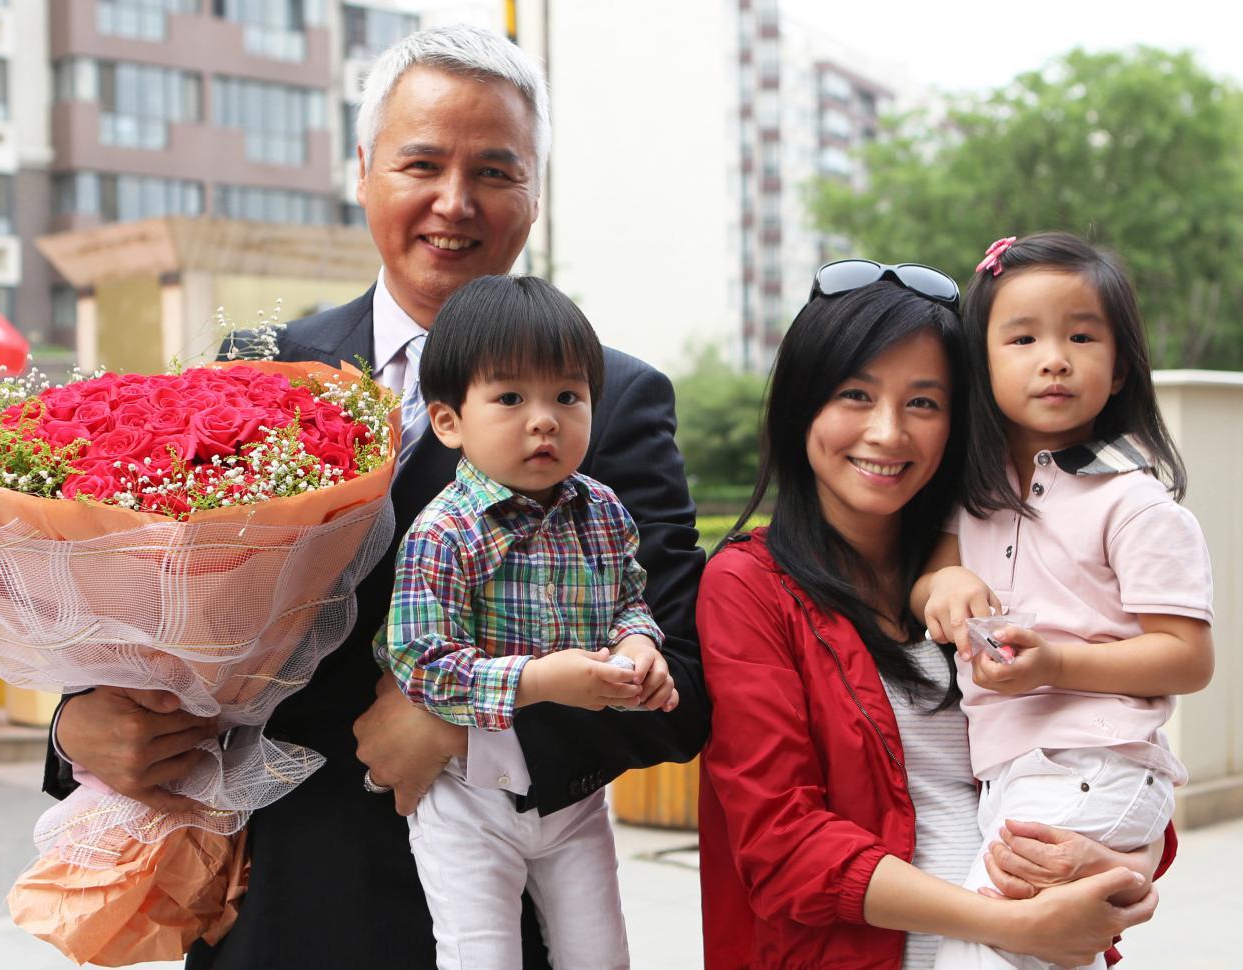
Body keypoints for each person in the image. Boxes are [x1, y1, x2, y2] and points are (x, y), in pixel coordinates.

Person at [43, 25, 709, 969]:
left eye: (495, 171)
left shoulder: (613, 400)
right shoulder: (264, 370)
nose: (454, 201)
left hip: (496, 909)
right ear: (364, 171)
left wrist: (455, 719)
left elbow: (681, 678)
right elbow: (151, 601)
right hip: (272, 904)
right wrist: (81, 724)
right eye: (422, 162)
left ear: (533, 192)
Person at [697, 261, 1167, 970]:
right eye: (855, 395)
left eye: (923, 403)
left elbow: (1106, 756)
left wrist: (1122, 858)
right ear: (801, 407)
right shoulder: (749, 586)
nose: (887, 433)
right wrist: (1008, 924)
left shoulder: (1002, 563)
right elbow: (783, 845)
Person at [911, 233, 1213, 969]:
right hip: (1016, 770)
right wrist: (944, 584)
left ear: (1118, 371)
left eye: (1082, 335)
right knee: (1039, 954)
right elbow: (932, 575)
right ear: (980, 363)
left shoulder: (1133, 503)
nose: (1055, 358)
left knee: (980, 952)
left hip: (1093, 762)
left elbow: (1187, 658)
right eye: (1023, 337)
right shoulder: (975, 495)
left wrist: (1054, 665)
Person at [378, 274, 678, 969]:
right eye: (510, 397)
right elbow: (422, 664)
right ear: (448, 420)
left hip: (573, 797)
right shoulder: (443, 532)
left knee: (602, 957)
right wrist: (541, 680)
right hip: (466, 799)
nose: (544, 419)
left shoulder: (601, 508)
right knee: (479, 956)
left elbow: (630, 595)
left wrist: (639, 641)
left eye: (567, 397)